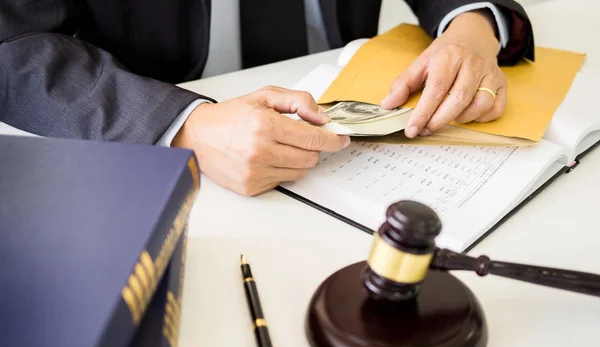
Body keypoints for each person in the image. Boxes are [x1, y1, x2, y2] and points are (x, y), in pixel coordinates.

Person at [0, 0, 533, 196]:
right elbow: (11, 46)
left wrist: (471, 23)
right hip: (150, 145)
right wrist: (185, 125)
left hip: (345, 99)